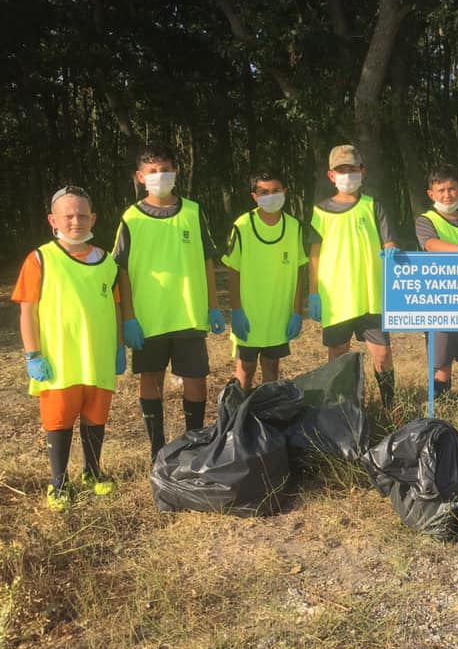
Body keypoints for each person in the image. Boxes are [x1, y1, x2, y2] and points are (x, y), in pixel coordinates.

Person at [13, 186, 125, 510]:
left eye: (82, 215)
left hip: (98, 359)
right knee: (59, 419)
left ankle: (93, 472)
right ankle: (58, 483)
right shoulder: (40, 259)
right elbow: (27, 309)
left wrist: (119, 347)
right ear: (53, 219)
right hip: (59, 361)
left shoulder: (106, 262)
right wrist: (32, 354)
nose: (76, 221)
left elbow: (116, 307)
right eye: (69, 215)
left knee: (95, 416)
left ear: (93, 218)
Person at [113, 143, 225, 461]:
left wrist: (214, 305)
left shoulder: (193, 210)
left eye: (165, 170)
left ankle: (195, 441)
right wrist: (128, 317)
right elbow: (120, 268)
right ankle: (157, 448)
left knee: (196, 378)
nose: (160, 176)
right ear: (140, 177)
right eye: (153, 172)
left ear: (175, 172)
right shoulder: (131, 218)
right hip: (149, 319)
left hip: (189, 314)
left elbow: (207, 260)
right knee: (151, 379)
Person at [307, 144, 397, 409]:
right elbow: (314, 254)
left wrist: (392, 254)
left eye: (352, 169)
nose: (347, 175)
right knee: (337, 355)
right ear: (331, 175)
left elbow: (389, 242)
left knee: (383, 355)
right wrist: (313, 293)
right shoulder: (320, 211)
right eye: (341, 170)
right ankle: (339, 410)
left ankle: (390, 409)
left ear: (363, 172)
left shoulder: (373, 206)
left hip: (372, 296)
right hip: (336, 298)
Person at [222, 169, 308, 391]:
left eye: (276, 190)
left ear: (285, 191)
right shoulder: (242, 226)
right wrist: (236, 311)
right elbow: (233, 270)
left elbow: (299, 271)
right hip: (249, 315)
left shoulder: (294, 226)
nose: (271, 196)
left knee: (271, 369)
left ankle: (268, 418)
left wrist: (297, 311)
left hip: (278, 315)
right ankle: (239, 419)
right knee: (245, 370)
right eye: (264, 192)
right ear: (254, 196)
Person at [416, 163, 458, 397]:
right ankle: (442, 406)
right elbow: (430, 244)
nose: (447, 194)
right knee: (442, 361)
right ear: (431, 194)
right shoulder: (427, 220)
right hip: (440, 299)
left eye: (452, 189)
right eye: (441, 190)